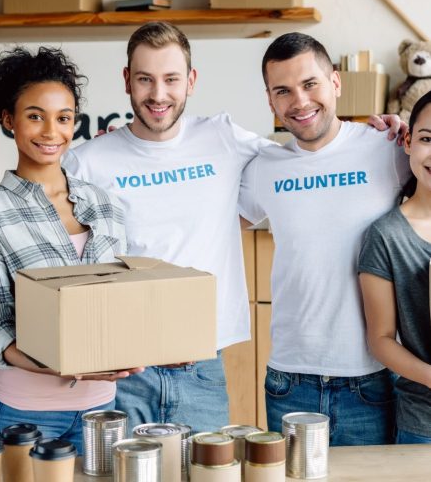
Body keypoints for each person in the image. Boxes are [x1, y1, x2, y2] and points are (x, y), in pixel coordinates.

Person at [64, 22, 404, 433]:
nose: (158, 94)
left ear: (190, 81)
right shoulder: (89, 161)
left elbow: (313, 158)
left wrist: (407, 133)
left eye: (171, 78)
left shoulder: (228, 138)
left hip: (212, 365)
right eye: (145, 79)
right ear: (127, 82)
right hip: (126, 367)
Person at [239, 32, 410, 446]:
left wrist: (412, 130)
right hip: (288, 379)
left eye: (310, 84)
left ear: (335, 82)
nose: (299, 101)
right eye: (283, 91)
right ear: (270, 100)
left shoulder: (388, 149)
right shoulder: (264, 167)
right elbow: (207, 220)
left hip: (371, 376)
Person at [0, 46, 142, 453]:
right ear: (8, 120)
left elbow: (122, 300)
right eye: (35, 116)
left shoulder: (105, 204)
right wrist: (70, 366)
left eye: (64, 118)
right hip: (24, 411)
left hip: (101, 409)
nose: (51, 132)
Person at [359, 90, 431, 444]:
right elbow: (382, 339)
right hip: (423, 422)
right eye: (427, 139)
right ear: (407, 141)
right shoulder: (386, 235)